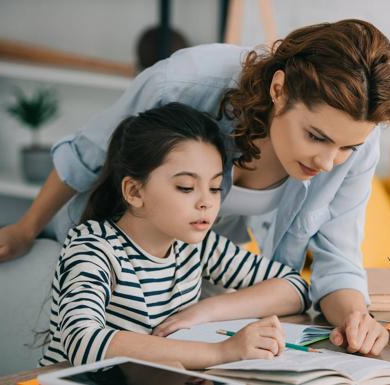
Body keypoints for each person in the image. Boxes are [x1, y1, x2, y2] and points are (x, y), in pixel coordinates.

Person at [0, 19, 390, 356]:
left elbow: (327, 266)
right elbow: (86, 157)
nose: (328, 162)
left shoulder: (197, 242)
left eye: (347, 147)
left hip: (182, 293)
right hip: (124, 265)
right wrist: (25, 228)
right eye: (317, 137)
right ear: (280, 90)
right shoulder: (187, 82)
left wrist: (356, 318)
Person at [39, 103, 310, 368]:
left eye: (215, 187)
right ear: (134, 192)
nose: (206, 202)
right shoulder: (93, 246)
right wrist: (221, 352)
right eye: (186, 187)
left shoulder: (196, 245)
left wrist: (204, 311)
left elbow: (295, 287)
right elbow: (83, 341)